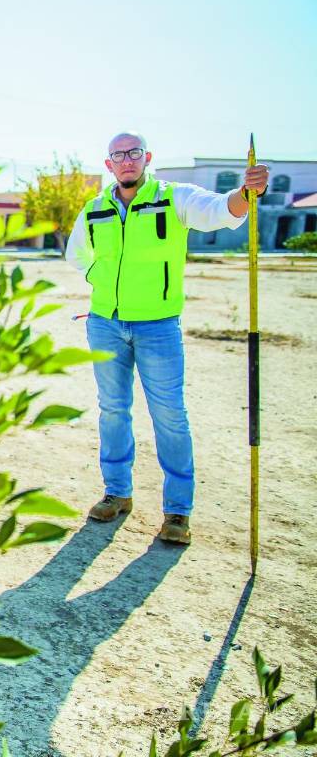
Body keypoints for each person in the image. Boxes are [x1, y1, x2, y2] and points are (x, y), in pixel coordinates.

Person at [66, 131, 269, 545]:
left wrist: (246, 194)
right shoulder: (95, 208)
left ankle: (177, 512)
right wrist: (98, 277)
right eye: (118, 155)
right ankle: (117, 493)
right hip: (105, 323)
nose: (126, 160)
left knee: (170, 416)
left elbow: (220, 211)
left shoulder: (173, 198)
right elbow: (76, 254)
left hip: (157, 326)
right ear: (108, 164)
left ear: (147, 158)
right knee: (113, 410)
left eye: (134, 153)